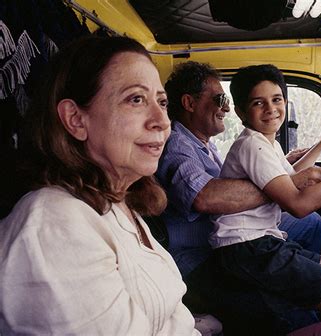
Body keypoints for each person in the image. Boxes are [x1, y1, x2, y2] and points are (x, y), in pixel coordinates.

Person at [0, 35, 200, 335]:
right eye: (136, 99)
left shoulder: (120, 202)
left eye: (162, 102)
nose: (162, 120)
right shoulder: (54, 223)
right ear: (76, 120)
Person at [156, 61, 321, 334]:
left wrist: (293, 171)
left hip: (231, 235)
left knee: (310, 222)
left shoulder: (205, 146)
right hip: (200, 257)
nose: (227, 108)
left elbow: (267, 180)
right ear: (189, 103)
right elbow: (204, 197)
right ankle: (307, 312)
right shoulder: (177, 146)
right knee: (283, 306)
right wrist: (286, 183)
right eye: (220, 99)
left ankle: (317, 295)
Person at [209, 64, 321, 336]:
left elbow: (291, 176)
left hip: (259, 243)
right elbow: (298, 205)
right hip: (250, 250)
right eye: (258, 103)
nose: (271, 109)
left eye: (277, 100)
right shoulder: (252, 146)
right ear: (241, 112)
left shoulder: (266, 142)